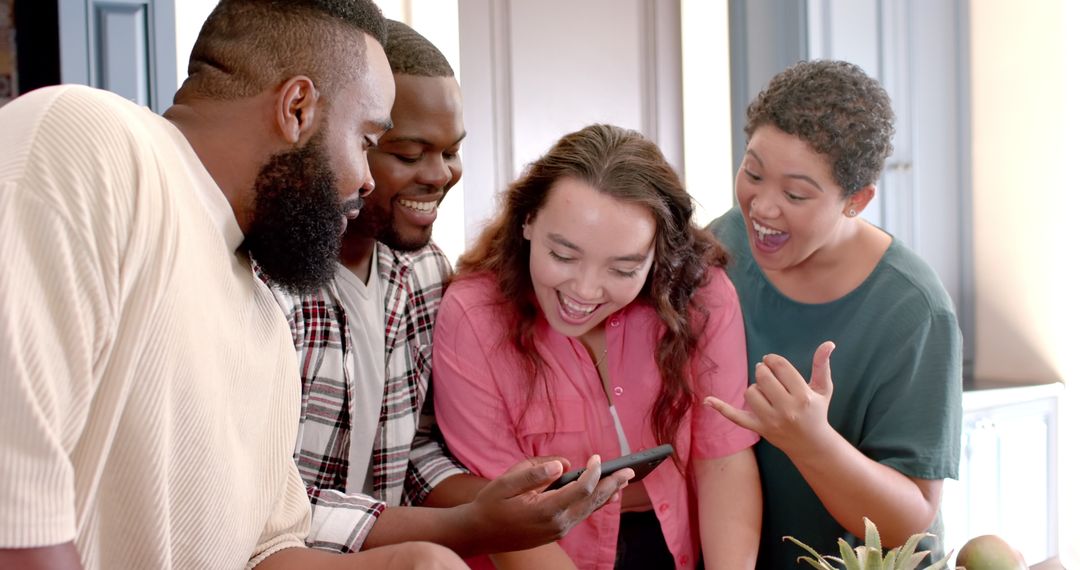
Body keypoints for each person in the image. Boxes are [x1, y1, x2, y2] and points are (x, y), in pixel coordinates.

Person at [0, 1, 465, 568]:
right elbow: (14, 500)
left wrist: (401, 564)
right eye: (366, 142)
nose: (366, 180)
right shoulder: (95, 141)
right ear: (297, 108)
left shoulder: (265, 313)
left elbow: (266, 550)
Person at [268, 20, 630, 558]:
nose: (440, 175)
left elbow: (412, 447)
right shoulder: (274, 285)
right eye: (409, 154)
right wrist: (467, 526)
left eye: (451, 151)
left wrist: (502, 502)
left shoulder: (422, 271)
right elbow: (270, 506)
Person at [433, 123, 763, 570]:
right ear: (527, 220)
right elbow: (508, 512)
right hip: (538, 550)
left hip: (671, 544)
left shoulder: (700, 296)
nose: (585, 291)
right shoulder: (473, 316)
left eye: (624, 268)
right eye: (564, 256)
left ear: (658, 255)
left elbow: (722, 457)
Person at [704, 60, 962, 568]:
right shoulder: (719, 250)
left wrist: (811, 441)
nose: (763, 207)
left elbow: (909, 518)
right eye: (753, 172)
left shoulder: (914, 311)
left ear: (857, 201)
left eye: (796, 193)